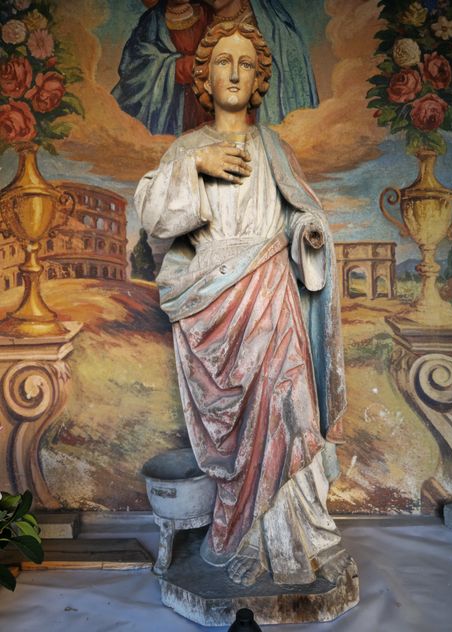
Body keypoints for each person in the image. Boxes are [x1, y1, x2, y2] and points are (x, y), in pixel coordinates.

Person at [135, 21, 347, 587]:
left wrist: (308, 233)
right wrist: (194, 167)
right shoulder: (185, 149)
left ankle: (294, 537)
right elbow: (153, 218)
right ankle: (240, 534)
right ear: (204, 78)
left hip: (273, 296)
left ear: (258, 81)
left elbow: (297, 213)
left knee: (291, 410)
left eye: (245, 64)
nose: (234, 73)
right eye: (223, 62)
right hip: (213, 305)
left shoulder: (274, 149)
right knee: (239, 433)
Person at [113, 0, 318, 135]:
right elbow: (135, 65)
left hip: (249, 131)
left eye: (246, 64)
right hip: (193, 123)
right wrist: (181, 67)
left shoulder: (275, 31)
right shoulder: (177, 17)